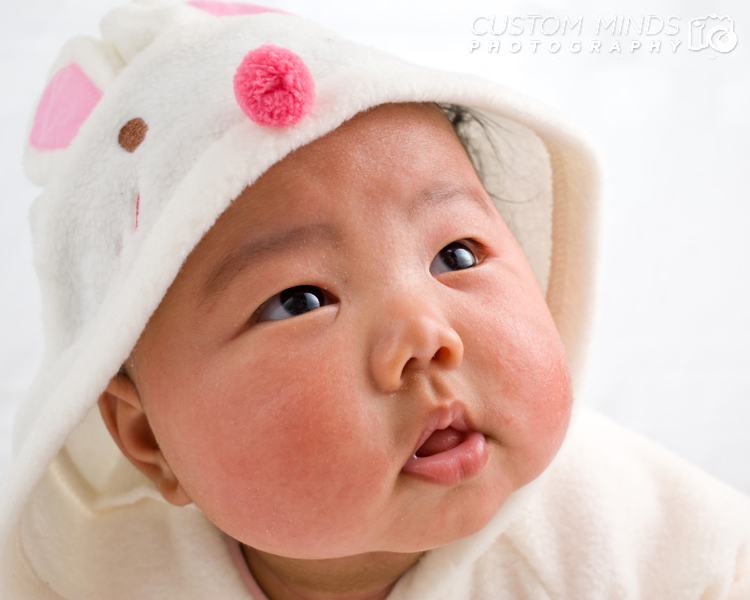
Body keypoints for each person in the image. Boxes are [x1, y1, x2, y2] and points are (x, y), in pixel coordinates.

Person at [1, 2, 748, 599]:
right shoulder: (85, 570)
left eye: (456, 255)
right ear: (147, 440)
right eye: (300, 300)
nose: (425, 335)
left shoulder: (639, 546)